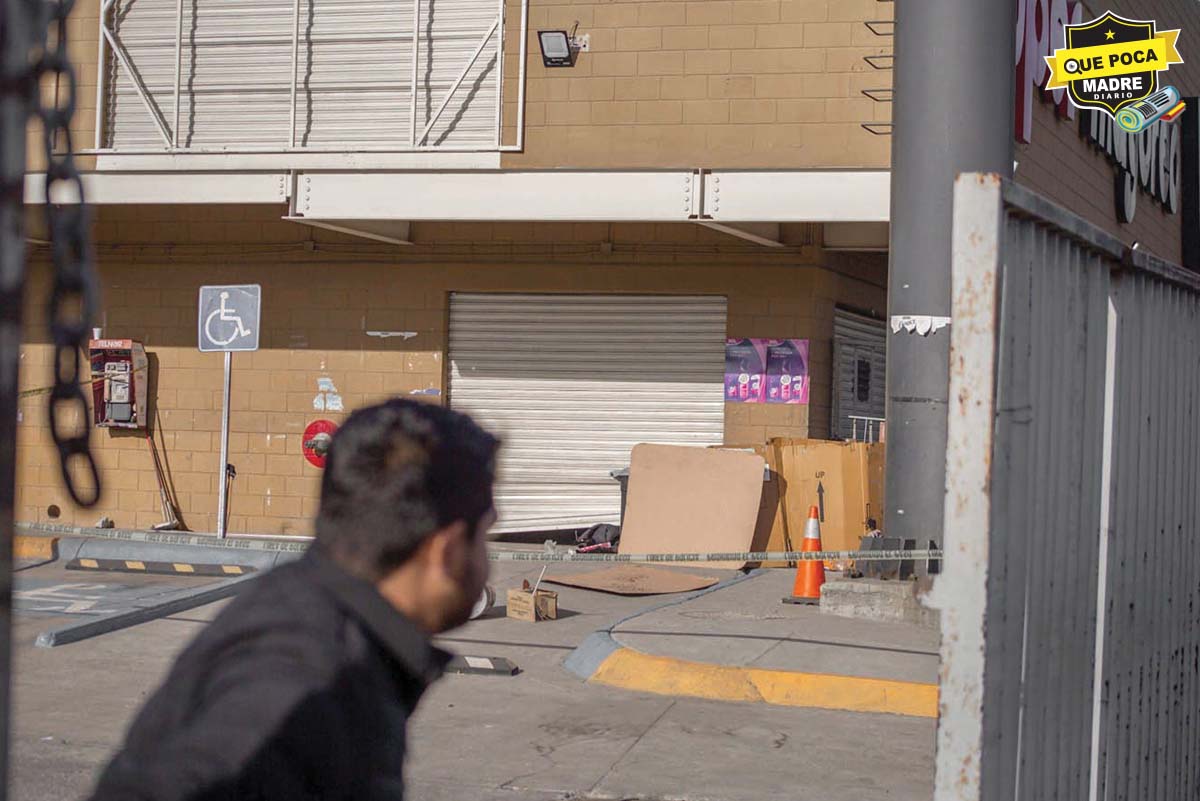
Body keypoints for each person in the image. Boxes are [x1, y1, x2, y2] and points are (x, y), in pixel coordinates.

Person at [89, 399, 499, 801]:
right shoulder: (311, 674)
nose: (486, 558)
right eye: (483, 537)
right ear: (445, 551)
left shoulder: (307, 605)